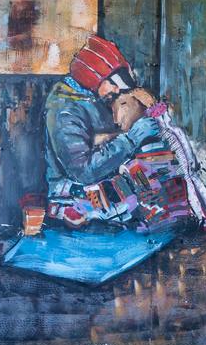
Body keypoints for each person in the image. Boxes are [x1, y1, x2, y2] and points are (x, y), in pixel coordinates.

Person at [44, 35, 161, 227]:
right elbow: (83, 171)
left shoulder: (97, 98)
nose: (117, 89)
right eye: (112, 81)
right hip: (75, 205)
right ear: (92, 76)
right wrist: (130, 140)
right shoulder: (64, 111)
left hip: (111, 199)